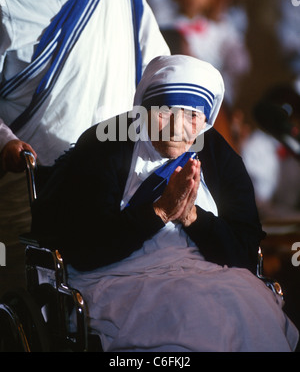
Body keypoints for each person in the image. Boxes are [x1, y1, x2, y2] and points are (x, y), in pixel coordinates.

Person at [31, 55, 298, 352]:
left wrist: (192, 218)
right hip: (121, 278)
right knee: (195, 319)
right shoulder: (104, 146)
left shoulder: (219, 155)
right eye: (165, 111)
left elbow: (244, 252)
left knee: (250, 310)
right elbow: (84, 250)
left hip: (212, 275)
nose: (177, 126)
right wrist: (158, 212)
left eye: (192, 116)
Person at [0, 0, 169, 296]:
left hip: (112, 169)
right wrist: (5, 142)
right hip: (28, 174)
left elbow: (158, 64)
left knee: (108, 290)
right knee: (26, 292)